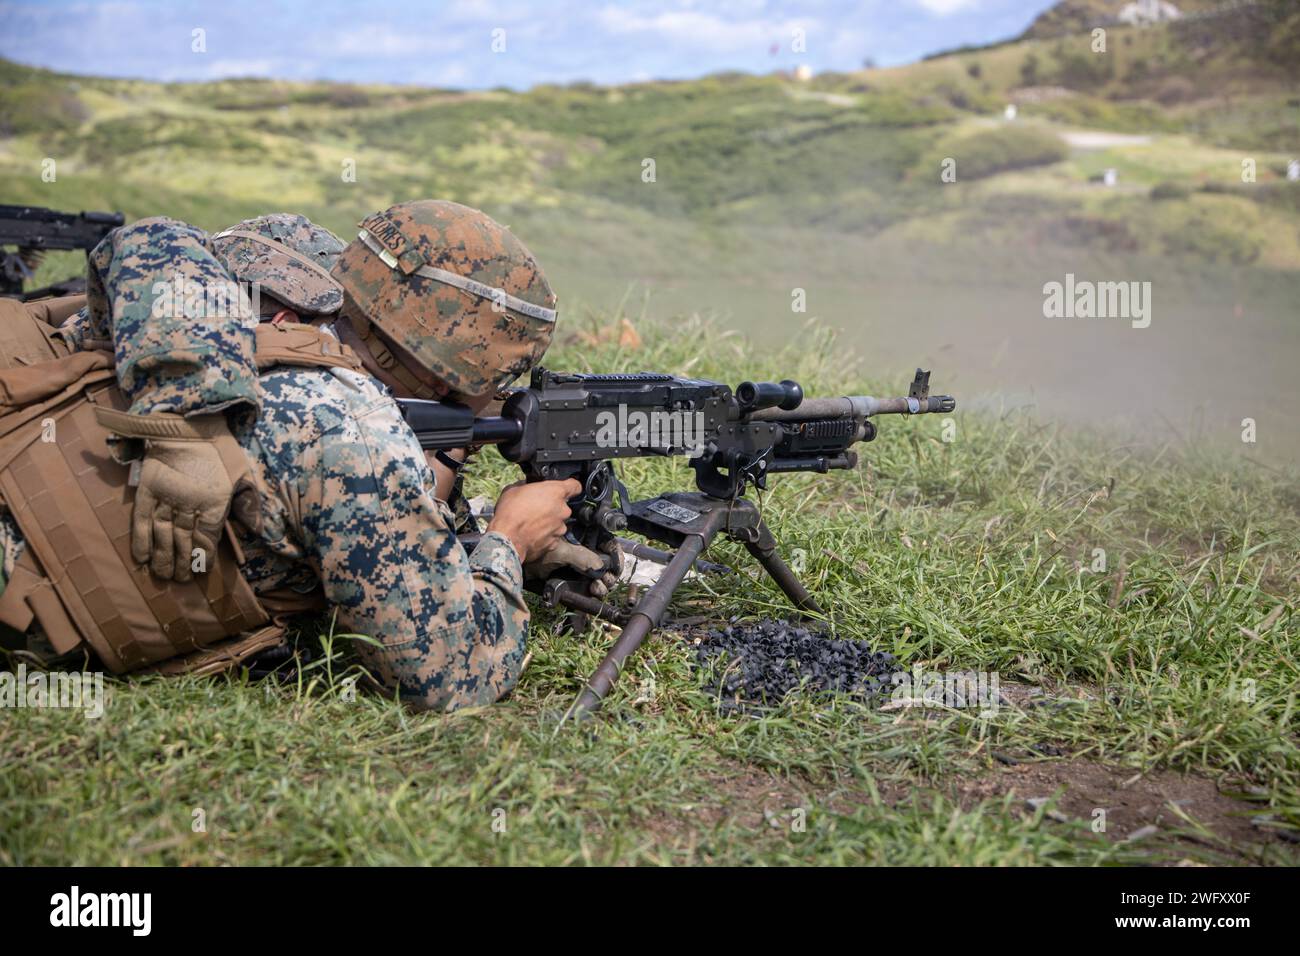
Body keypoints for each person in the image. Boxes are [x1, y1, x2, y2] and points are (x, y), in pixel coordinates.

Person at [0, 200, 613, 709]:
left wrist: (187, 411)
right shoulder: (355, 433)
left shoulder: (244, 300)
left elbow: (149, 236)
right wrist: (509, 541)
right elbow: (446, 678)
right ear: (461, 375)